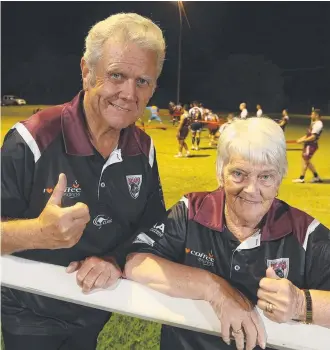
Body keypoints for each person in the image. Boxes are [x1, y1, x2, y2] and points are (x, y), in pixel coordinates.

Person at [1, 12, 166, 350]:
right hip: (29, 314)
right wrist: (37, 233)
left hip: (94, 309)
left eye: (142, 81)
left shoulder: (143, 149)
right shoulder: (31, 140)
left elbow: (152, 232)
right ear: (87, 71)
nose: (128, 93)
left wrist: (114, 259)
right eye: (117, 75)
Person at [124, 117, 330, 350]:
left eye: (265, 176)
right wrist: (214, 289)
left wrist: (302, 304)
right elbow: (136, 261)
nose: (251, 190)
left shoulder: (305, 232)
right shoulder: (192, 211)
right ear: (220, 173)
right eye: (239, 174)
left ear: (279, 179)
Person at [292, 109, 323, 183]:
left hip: (311, 145)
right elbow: (308, 135)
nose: (311, 115)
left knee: (306, 161)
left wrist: (302, 140)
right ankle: (316, 176)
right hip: (308, 144)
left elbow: (313, 137)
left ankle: (301, 178)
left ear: (317, 115)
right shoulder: (314, 123)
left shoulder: (318, 124)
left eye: (312, 114)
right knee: (306, 161)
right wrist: (300, 139)